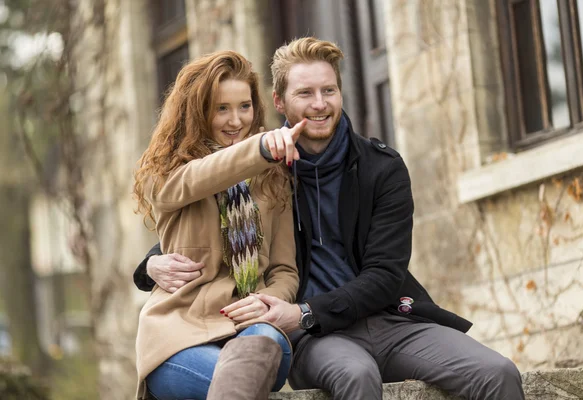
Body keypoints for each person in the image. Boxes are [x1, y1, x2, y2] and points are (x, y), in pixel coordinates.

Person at [134, 38, 525, 400]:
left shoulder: (376, 168)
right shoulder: (267, 166)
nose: (319, 104)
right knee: (354, 374)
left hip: (382, 319)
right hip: (313, 337)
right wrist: (150, 263)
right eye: (305, 93)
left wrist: (296, 310)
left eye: (329, 91)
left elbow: (382, 273)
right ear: (280, 102)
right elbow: (199, 216)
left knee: (499, 372)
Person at [132, 50, 307, 400]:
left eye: (245, 106)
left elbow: (285, 270)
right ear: (197, 113)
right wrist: (259, 147)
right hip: (179, 336)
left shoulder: (272, 177)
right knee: (238, 383)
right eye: (221, 108)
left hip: (252, 330)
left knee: (267, 341)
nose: (236, 120)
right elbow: (209, 173)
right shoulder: (168, 173)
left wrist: (268, 301)